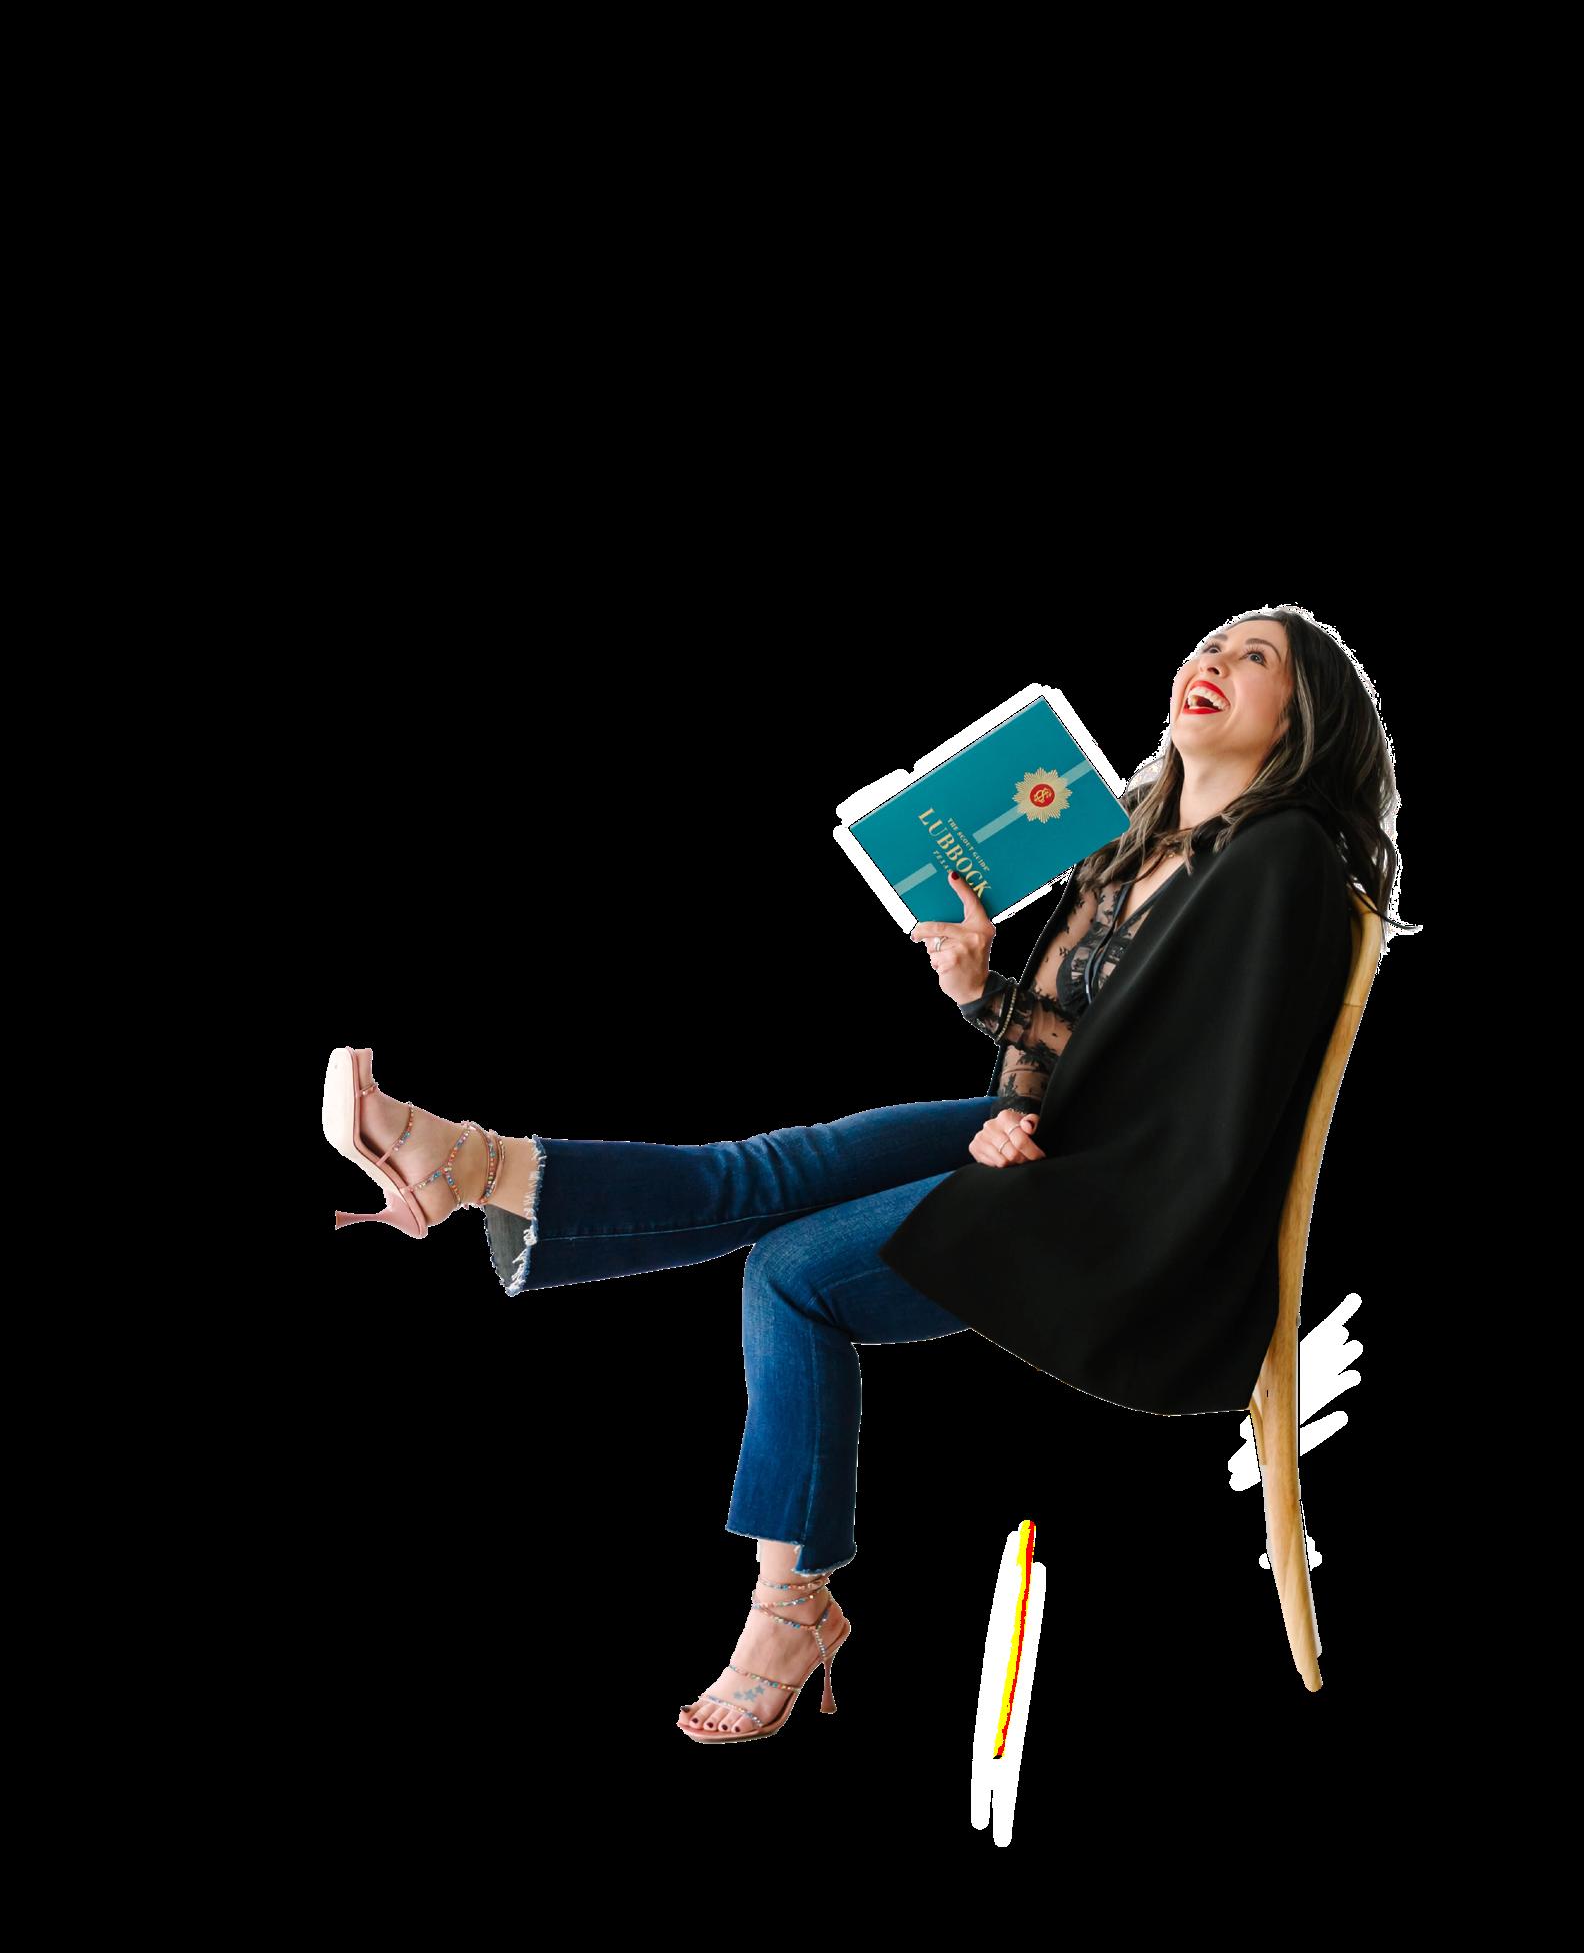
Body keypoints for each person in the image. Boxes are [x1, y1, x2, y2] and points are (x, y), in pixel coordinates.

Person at [326, 608, 1415, 1744]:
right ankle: (470, 1163)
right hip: (1056, 1135)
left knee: (790, 1271)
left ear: (1305, 717)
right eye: (1211, 644)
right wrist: (980, 993)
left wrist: (1031, 1138)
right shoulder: (1125, 844)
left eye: (1255, 659)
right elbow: (1076, 1045)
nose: (1214, 662)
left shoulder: (1283, 854)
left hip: (1131, 1204)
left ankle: (787, 1608)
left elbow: (1208, 1082)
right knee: (773, 1168)